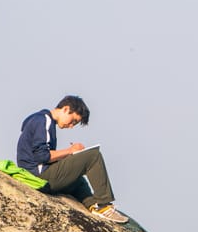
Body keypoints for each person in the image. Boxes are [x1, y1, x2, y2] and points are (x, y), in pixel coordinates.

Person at [16, 95, 129, 224]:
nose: (71, 126)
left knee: (78, 180)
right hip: (38, 176)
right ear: (65, 109)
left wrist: (69, 157)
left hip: (35, 173)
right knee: (93, 156)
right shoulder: (44, 120)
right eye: (73, 121)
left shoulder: (39, 118)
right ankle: (104, 205)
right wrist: (70, 151)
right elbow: (41, 156)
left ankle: (93, 206)